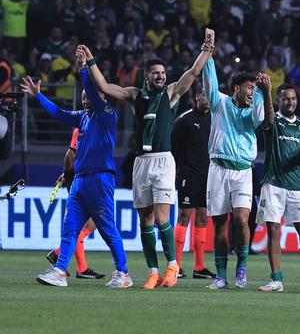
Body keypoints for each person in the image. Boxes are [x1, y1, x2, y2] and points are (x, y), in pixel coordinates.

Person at [82, 33, 213, 289]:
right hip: (141, 163)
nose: (161, 76)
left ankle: (172, 265)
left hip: (163, 161)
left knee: (163, 218)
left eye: (163, 72)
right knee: (146, 220)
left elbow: (194, 71)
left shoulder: (172, 93)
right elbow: (106, 87)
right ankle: (153, 272)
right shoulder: (134, 95)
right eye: (155, 73)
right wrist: (91, 62)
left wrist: (207, 49)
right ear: (146, 76)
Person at [29, 46, 132, 289]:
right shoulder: (83, 117)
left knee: (107, 230)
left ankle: (123, 273)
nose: (85, 98)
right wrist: (38, 96)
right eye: (84, 96)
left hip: (100, 180)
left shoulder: (107, 114)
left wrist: (84, 68)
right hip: (81, 181)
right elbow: (60, 113)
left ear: (101, 97)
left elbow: (94, 93)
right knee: (70, 228)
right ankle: (60, 271)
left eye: (90, 95)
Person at [200, 44, 266, 290]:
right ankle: (220, 275)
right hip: (217, 168)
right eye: (249, 88)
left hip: (242, 171)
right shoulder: (220, 103)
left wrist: (260, 91)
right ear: (236, 88)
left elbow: (260, 117)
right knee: (219, 223)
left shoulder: (251, 112)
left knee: (241, 219)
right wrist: (208, 54)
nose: (252, 92)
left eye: (254, 89)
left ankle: (242, 267)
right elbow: (210, 81)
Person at [256, 77, 300, 292]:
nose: (290, 102)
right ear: (278, 101)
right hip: (273, 184)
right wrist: (266, 92)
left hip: (297, 185)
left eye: (293, 99)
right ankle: (276, 279)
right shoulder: (273, 121)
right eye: (285, 99)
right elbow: (268, 118)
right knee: (273, 230)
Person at [44, 128, 103, 278]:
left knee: (86, 224)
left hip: (88, 179)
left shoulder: (96, 123)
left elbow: (79, 155)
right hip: (84, 182)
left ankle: (80, 267)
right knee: (95, 219)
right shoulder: (84, 126)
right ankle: (59, 254)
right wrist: (69, 174)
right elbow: (71, 154)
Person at [172, 85, 214, 278]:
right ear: (196, 96)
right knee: (184, 217)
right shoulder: (184, 119)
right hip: (188, 175)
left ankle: (199, 267)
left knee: (203, 217)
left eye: (209, 95)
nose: (206, 98)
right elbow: (173, 149)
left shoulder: (216, 119)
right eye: (204, 94)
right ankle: (176, 266)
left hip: (209, 176)